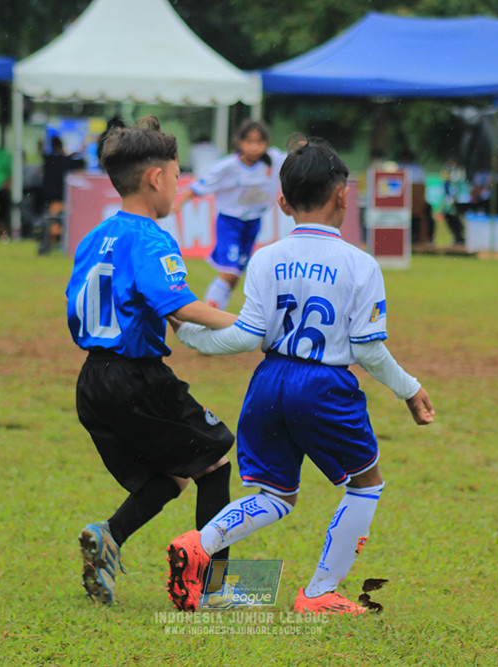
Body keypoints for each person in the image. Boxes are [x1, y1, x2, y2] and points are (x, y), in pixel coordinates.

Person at [164, 137, 435, 615]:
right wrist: (409, 389)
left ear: (283, 201)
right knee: (366, 482)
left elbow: (246, 336)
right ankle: (318, 593)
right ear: (344, 195)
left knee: (276, 494)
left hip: (268, 382)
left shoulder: (266, 258)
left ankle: (198, 543)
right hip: (325, 386)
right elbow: (369, 349)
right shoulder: (361, 264)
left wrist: (189, 337)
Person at [66, 116, 239, 607]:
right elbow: (181, 306)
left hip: (94, 380)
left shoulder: (94, 237)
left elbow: (111, 302)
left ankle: (110, 536)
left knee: (171, 477)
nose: (179, 185)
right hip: (136, 377)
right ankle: (211, 587)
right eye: (178, 175)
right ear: (157, 178)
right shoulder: (152, 238)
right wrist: (250, 325)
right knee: (215, 464)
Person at [172, 119, 286, 310]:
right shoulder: (227, 166)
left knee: (236, 276)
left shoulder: (274, 160)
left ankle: (216, 314)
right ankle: (206, 316)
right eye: (249, 141)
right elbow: (200, 187)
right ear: (240, 142)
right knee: (229, 272)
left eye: (259, 142)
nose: (254, 147)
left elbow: (296, 161)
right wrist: (178, 204)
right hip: (230, 223)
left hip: (253, 223)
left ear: (266, 143)